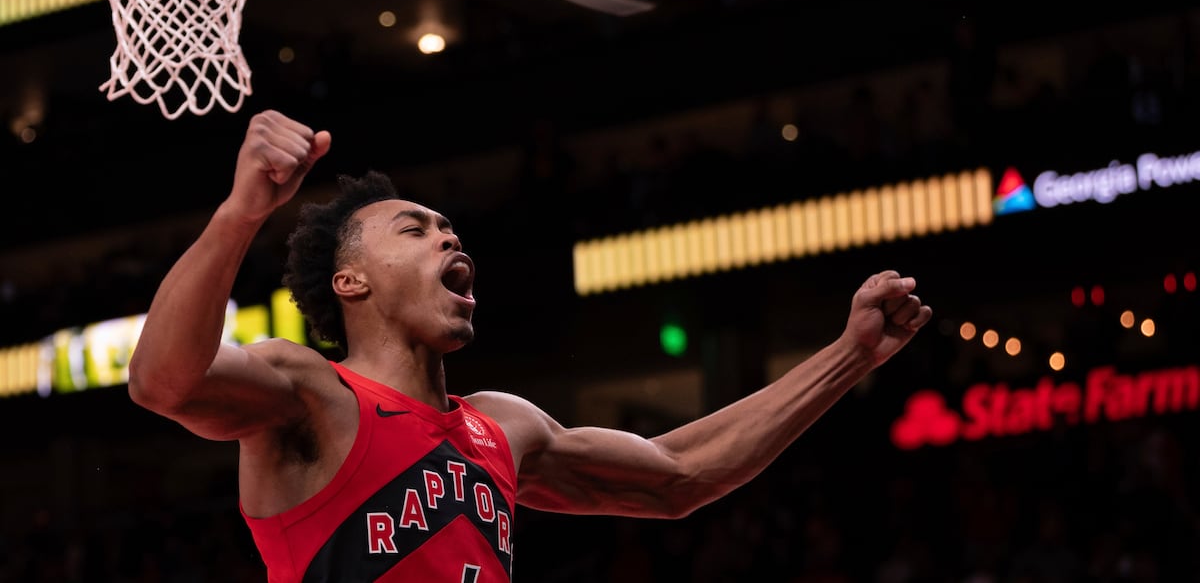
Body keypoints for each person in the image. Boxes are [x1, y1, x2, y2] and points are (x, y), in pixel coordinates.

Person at [127, 109, 934, 582]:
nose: (446, 235)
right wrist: (240, 215)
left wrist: (850, 356)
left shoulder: (503, 428)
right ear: (352, 284)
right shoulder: (308, 393)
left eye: (450, 227)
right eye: (415, 229)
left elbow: (680, 478)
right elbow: (164, 382)